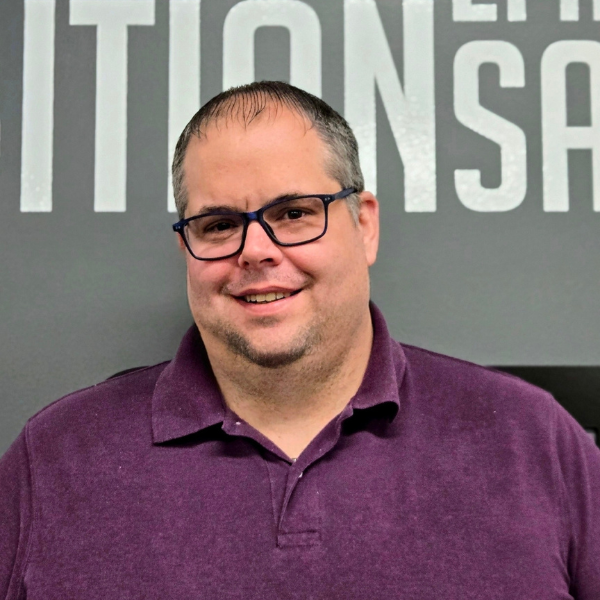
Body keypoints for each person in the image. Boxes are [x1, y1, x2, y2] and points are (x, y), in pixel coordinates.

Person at [1, 81, 599, 599]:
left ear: (364, 225)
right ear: (186, 249)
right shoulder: (54, 459)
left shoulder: (531, 440)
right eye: (219, 225)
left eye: (293, 213)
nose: (256, 251)